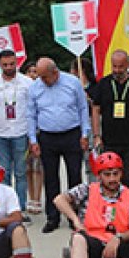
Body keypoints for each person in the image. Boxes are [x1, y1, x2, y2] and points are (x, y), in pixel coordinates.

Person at [28, 57, 92, 233]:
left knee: (74, 177)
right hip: (47, 137)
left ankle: (75, 216)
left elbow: (82, 109)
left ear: (55, 72)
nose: (42, 80)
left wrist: (85, 133)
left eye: (45, 77)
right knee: (51, 178)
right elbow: (31, 114)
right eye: (40, 77)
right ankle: (52, 217)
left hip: (72, 134)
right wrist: (33, 139)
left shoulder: (72, 83)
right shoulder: (35, 87)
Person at [0, 49, 34, 209]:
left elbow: (34, 110)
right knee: (2, 173)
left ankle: (20, 208)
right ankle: (4, 207)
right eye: (5, 65)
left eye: (12, 64)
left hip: (21, 132)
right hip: (0, 134)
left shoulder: (27, 83)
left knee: (21, 173)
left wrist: (34, 136)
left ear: (17, 62)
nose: (9, 67)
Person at [90, 50, 129, 179]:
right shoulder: (104, 83)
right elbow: (95, 108)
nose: (117, 70)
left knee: (128, 177)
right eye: (114, 66)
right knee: (110, 177)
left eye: (121, 66)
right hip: (108, 141)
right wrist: (96, 135)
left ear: (127, 64)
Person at [23, 62, 45, 214]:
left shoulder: (42, 89)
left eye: (36, 72)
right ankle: (30, 197)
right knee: (27, 168)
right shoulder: (23, 89)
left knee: (38, 167)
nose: (33, 74)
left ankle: (37, 198)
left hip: (39, 131)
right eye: (30, 71)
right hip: (23, 131)